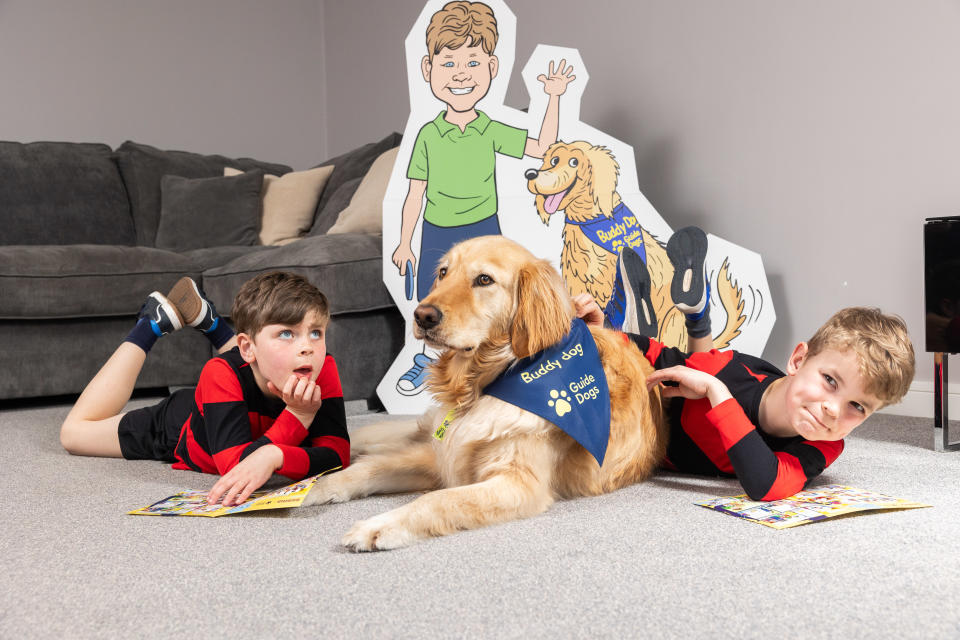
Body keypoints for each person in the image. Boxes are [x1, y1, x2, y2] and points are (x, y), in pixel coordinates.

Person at [575, 229, 915, 501]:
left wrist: (715, 394)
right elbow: (660, 361)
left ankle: (695, 318)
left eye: (857, 406)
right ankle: (695, 318)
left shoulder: (826, 443)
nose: (831, 409)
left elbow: (766, 484)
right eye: (830, 380)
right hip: (676, 373)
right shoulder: (731, 374)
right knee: (605, 356)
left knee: (701, 373)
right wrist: (600, 333)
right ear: (798, 360)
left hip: (693, 405)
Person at [390, 0, 575, 395]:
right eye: (448, 63)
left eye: (472, 63)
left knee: (476, 305)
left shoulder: (489, 129)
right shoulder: (427, 134)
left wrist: (554, 97)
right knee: (437, 307)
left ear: (492, 69)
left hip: (481, 227)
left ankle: (498, 376)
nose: (461, 74)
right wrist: (405, 242)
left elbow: (543, 146)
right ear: (428, 70)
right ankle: (428, 361)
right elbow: (415, 192)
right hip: (436, 229)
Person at [60, 272, 349, 507]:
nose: (307, 347)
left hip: (242, 388)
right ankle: (151, 323)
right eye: (287, 333)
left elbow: (338, 455)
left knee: (259, 363)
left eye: (316, 332)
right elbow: (236, 467)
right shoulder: (219, 373)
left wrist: (276, 456)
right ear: (246, 346)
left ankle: (211, 324)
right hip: (179, 425)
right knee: (73, 435)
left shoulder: (322, 366)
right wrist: (298, 416)